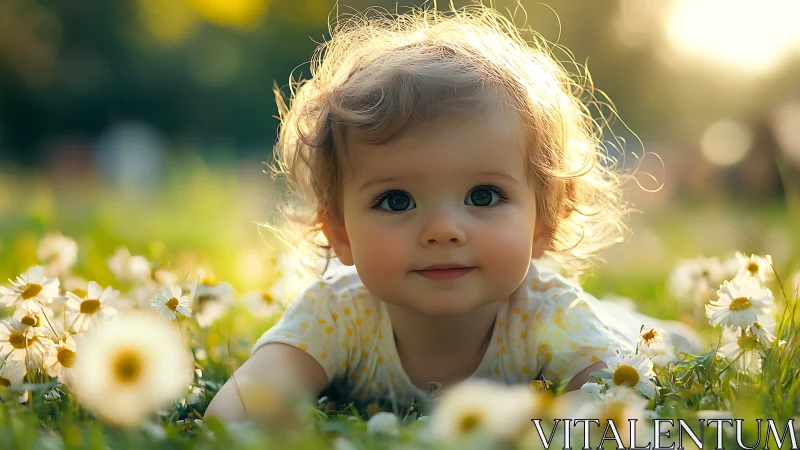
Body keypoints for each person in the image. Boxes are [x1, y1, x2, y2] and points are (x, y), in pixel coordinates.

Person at [205, 4, 699, 423]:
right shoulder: (337, 315)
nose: (443, 230)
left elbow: (620, 396)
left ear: (543, 222)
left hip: (629, 336)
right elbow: (243, 406)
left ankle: (663, 327)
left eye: (483, 196)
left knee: (661, 342)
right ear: (341, 233)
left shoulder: (550, 314)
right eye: (396, 200)